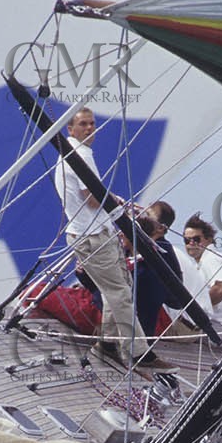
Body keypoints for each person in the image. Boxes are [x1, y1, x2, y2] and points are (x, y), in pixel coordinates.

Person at [56, 107, 136, 365]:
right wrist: (113, 201)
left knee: (116, 290)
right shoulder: (80, 154)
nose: (90, 128)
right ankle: (141, 352)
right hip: (94, 236)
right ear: (70, 129)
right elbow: (92, 199)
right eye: (83, 124)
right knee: (119, 293)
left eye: (92, 123)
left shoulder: (73, 153)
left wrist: (112, 200)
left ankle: (109, 344)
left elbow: (92, 196)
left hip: (91, 234)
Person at [180, 214, 222, 335]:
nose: (190, 243)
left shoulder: (211, 258)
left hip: (218, 329)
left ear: (208, 239)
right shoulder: (204, 261)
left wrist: (194, 312)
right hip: (219, 328)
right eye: (186, 240)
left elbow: (221, 289)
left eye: (196, 239)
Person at [131, 200, 180, 339]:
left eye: (146, 214)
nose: (139, 216)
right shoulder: (138, 242)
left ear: (160, 229)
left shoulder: (160, 251)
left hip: (140, 323)